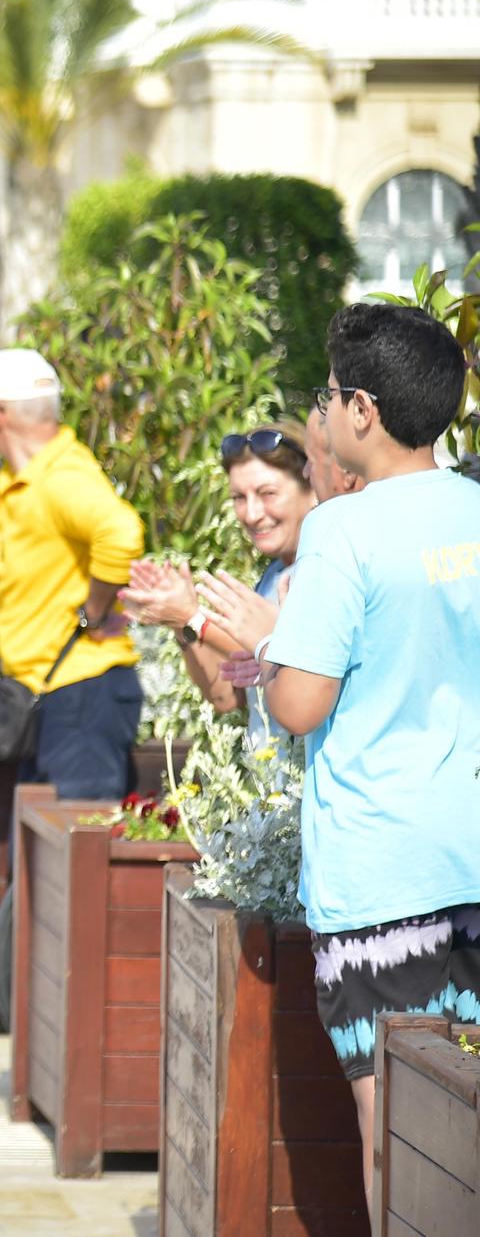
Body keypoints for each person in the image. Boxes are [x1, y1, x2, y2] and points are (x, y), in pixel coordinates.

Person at [255, 303, 480, 1205]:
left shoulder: (342, 530)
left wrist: (267, 659)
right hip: (471, 854)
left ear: (362, 410)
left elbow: (303, 702)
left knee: (389, 1121)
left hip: (382, 870)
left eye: (329, 394)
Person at [0, 348, 145, 801]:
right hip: (49, 697)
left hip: (82, 696)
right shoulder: (25, 479)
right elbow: (12, 590)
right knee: (42, 862)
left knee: (72, 864)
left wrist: (94, 611)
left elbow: (120, 532)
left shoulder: (60, 476)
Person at [120, 421, 316, 743]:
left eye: (267, 494)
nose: (252, 514)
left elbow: (289, 659)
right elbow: (227, 696)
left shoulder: (325, 570)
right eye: (240, 497)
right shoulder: (271, 576)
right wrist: (181, 627)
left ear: (311, 487)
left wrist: (194, 618)